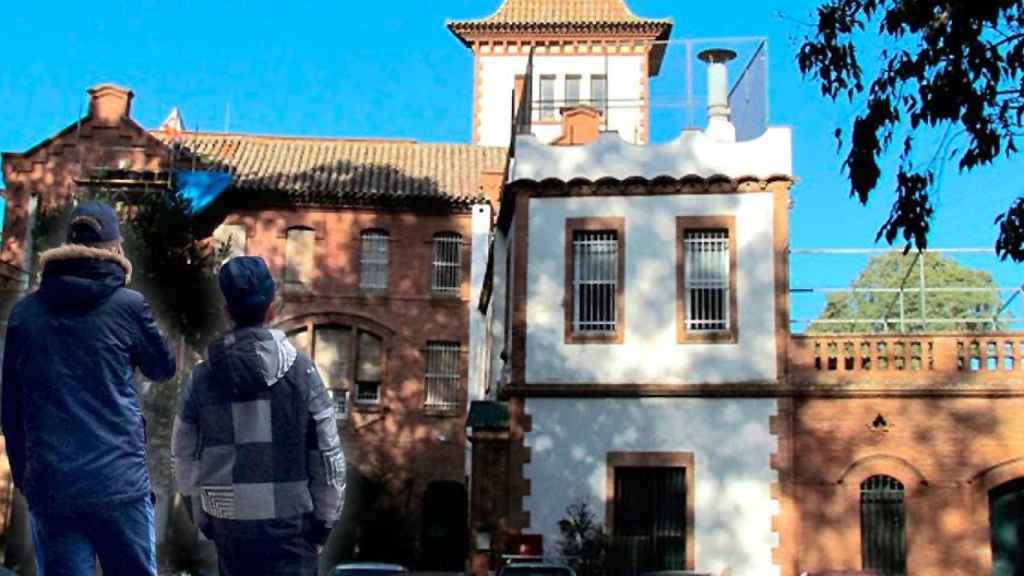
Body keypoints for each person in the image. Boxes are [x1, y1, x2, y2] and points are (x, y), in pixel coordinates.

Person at [1, 200, 177, 575]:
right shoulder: (129, 306)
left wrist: (26, 478)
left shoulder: (25, 314)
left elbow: (10, 408)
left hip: (52, 487)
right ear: (115, 249)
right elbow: (163, 367)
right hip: (120, 484)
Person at [172, 256, 345, 575]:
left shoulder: (202, 378)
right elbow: (328, 456)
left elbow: (183, 456)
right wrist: (322, 526)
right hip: (293, 533)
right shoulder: (303, 373)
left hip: (231, 534)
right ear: (272, 308)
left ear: (227, 311)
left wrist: (204, 516)